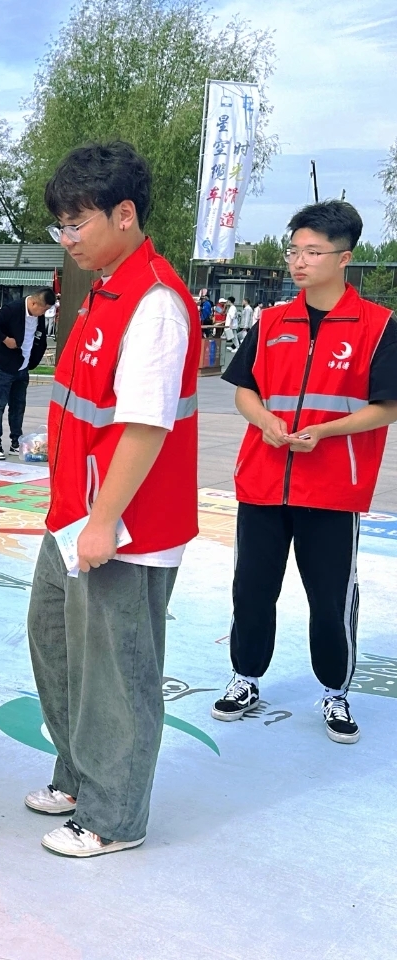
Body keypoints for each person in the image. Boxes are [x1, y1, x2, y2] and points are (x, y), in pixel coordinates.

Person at [25, 141, 200, 858]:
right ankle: (77, 775)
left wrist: (103, 522)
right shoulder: (105, 289)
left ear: (124, 215)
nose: (67, 240)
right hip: (75, 514)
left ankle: (115, 814)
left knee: (116, 671)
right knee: (55, 642)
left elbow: (145, 426)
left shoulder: (155, 303)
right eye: (60, 226)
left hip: (123, 527)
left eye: (78, 224)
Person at [212, 200, 397, 743]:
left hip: (333, 488)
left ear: (344, 258)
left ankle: (336, 690)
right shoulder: (271, 321)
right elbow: (245, 391)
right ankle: (246, 677)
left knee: (330, 598)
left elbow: (387, 407)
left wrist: (327, 431)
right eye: (294, 250)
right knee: (252, 589)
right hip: (263, 481)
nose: (299, 261)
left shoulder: (378, 326)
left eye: (313, 252)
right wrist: (265, 420)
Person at [0, 288, 56, 459]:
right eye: (43, 309)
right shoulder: (13, 309)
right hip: (4, 365)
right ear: (34, 303)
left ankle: (16, 442)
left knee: (18, 406)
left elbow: (40, 338)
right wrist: (5, 339)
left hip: (23, 366)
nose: (43, 314)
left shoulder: (38, 315)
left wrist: (33, 361)